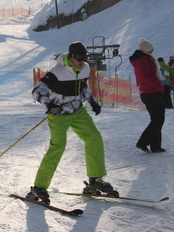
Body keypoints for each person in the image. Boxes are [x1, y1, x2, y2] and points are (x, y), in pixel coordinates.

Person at [26, 41, 117, 205]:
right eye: (79, 57)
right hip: (59, 114)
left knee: (94, 138)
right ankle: (39, 187)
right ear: (71, 56)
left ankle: (95, 180)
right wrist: (50, 104)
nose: (82, 60)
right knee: (58, 146)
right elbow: (37, 91)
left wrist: (93, 101)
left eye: (85, 57)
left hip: (77, 110)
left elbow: (83, 87)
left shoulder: (85, 68)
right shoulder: (58, 72)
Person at [129, 38, 166, 153]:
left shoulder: (144, 59)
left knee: (157, 119)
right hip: (151, 92)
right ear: (146, 50)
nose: (152, 50)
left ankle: (155, 146)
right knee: (158, 119)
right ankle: (143, 142)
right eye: (151, 48)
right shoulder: (143, 61)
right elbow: (145, 78)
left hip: (150, 92)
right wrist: (158, 85)